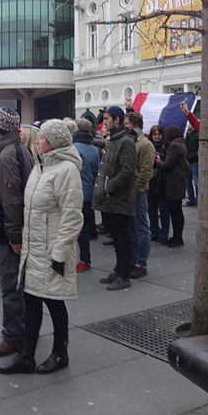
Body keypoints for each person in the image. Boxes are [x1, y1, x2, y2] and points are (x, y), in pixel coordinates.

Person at [0, 120, 83, 374]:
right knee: (31, 302)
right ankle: (26, 355)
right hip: (33, 250)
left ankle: (60, 353)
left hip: (52, 251)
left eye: (43, 137)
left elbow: (72, 216)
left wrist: (59, 253)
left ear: (54, 141)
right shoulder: (39, 166)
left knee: (55, 303)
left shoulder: (66, 170)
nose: (38, 140)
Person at [0, 107, 33, 358]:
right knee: (18, 285)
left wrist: (14, 236)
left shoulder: (8, 155)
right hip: (13, 230)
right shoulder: (17, 149)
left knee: (12, 287)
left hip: (10, 233)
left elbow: (11, 199)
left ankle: (14, 336)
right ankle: (21, 332)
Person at [93, 105, 137, 291]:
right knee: (117, 238)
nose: (104, 122)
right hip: (111, 199)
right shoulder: (114, 139)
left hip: (120, 199)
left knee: (123, 238)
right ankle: (118, 270)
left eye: (107, 119)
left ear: (117, 120)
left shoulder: (125, 141)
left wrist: (108, 188)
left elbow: (127, 170)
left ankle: (124, 275)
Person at [124, 111, 154, 278]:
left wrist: (137, 188)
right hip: (129, 192)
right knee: (132, 229)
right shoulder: (130, 141)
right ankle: (134, 260)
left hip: (137, 192)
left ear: (134, 124)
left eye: (127, 123)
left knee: (141, 228)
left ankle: (141, 263)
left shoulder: (145, 144)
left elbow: (146, 171)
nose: (125, 126)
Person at [72, 118, 99, 272]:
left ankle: (83, 259)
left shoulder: (74, 148)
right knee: (85, 226)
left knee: (77, 228)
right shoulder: (94, 148)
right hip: (88, 190)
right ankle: (85, 258)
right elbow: (96, 171)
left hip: (77, 190)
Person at [160, 125, 189, 247]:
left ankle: (177, 237)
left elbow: (167, 164)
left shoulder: (174, 146)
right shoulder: (181, 144)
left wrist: (158, 162)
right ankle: (177, 236)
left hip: (173, 181)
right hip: (179, 179)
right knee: (177, 210)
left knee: (175, 210)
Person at [146, 125, 169, 244]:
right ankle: (154, 230)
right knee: (151, 209)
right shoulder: (149, 147)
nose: (157, 137)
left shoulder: (166, 146)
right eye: (154, 135)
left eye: (159, 134)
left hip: (162, 182)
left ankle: (164, 233)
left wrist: (159, 162)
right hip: (151, 181)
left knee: (164, 210)